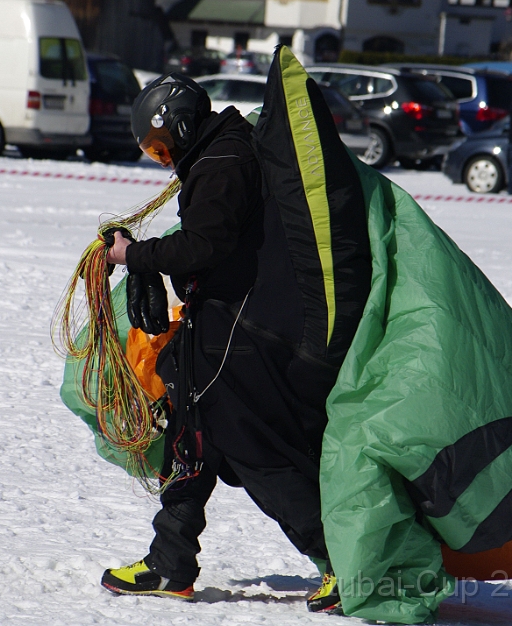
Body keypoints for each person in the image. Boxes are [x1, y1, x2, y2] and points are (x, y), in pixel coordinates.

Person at [96, 73, 343, 613]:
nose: (164, 161)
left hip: (241, 333)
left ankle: (344, 562)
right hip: (220, 327)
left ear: (183, 127)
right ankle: (170, 562)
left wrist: (133, 256)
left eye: (162, 148)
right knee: (190, 441)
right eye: (153, 153)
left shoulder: (222, 163)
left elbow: (202, 246)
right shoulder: (218, 154)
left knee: (255, 449)